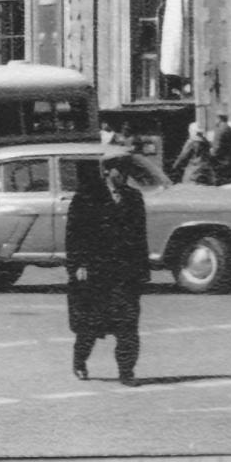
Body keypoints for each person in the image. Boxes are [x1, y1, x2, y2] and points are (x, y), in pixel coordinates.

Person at [65, 154, 150, 384]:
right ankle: (80, 361)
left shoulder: (134, 198)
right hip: (95, 271)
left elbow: (140, 237)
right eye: (118, 171)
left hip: (125, 273)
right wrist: (78, 264)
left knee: (128, 327)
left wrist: (143, 271)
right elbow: (74, 234)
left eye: (126, 171)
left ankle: (126, 372)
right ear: (106, 171)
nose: (123, 176)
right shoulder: (86, 196)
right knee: (90, 325)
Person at [211, 115, 231, 183]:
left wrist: (211, 157)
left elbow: (216, 148)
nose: (215, 121)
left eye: (215, 119)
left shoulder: (219, 130)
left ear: (219, 119)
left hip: (220, 162)